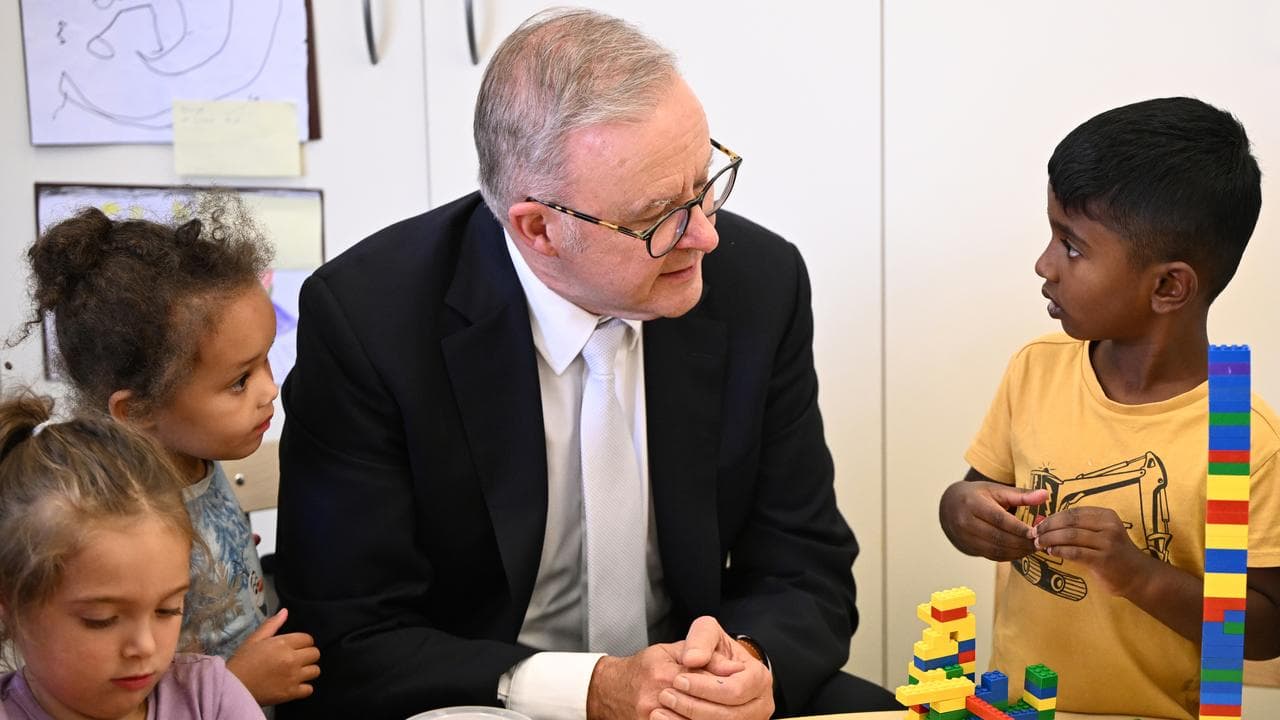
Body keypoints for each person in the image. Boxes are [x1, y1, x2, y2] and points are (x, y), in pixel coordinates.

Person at [273, 8, 895, 720]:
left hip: (689, 693)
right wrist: (593, 689)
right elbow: (352, 633)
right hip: (486, 695)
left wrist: (748, 666)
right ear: (539, 228)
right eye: (661, 213)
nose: (706, 236)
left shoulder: (761, 282)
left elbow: (806, 565)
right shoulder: (371, 321)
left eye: (706, 185)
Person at [938, 97, 1280, 719]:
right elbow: (975, 493)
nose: (1043, 265)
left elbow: (1264, 630)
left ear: (1168, 286)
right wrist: (960, 510)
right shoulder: (1036, 368)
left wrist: (1134, 572)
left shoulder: (1245, 438)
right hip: (1017, 708)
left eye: (1071, 246)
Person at [21, 195, 321, 707]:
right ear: (137, 412)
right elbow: (119, 687)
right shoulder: (110, 520)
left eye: (266, 361)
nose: (270, 390)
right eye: (239, 380)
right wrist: (237, 684)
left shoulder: (194, 454)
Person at [0, 393, 265, 719]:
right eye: (102, 619)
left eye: (168, 609)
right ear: (10, 604)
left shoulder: (210, 695)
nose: (145, 647)